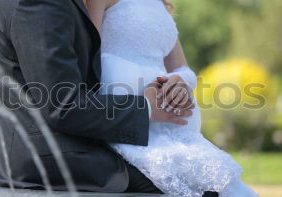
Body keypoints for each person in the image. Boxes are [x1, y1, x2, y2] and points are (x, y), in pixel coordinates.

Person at [0, 0, 197, 195]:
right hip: (42, 152)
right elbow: (63, 105)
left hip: (67, 138)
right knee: (183, 182)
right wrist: (146, 107)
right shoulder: (39, 4)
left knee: (196, 174)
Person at [85, 0, 259, 196]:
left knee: (224, 186)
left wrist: (180, 81)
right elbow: (88, 55)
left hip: (169, 128)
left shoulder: (160, 4)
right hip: (127, 123)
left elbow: (182, 68)